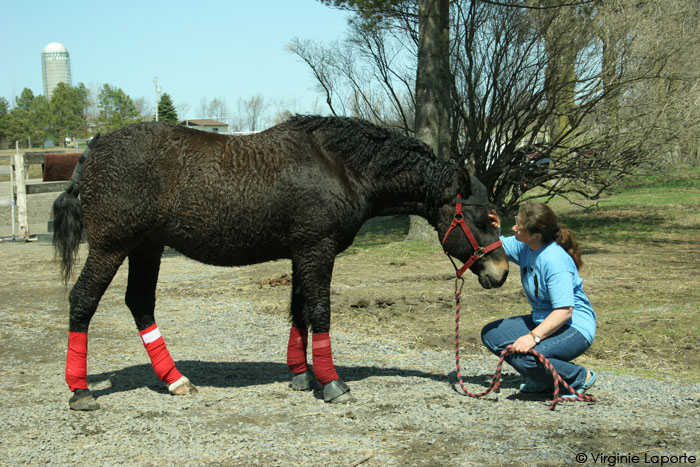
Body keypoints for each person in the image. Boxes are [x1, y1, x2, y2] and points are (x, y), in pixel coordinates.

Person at [481, 201, 597, 398]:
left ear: (535, 235)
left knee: (524, 357)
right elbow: (498, 246)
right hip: (543, 320)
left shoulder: (554, 260)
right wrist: (495, 230)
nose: (514, 228)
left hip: (573, 326)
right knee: (492, 335)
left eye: (519, 225)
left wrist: (532, 337)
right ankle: (547, 379)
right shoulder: (526, 246)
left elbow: (564, 310)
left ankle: (579, 377)